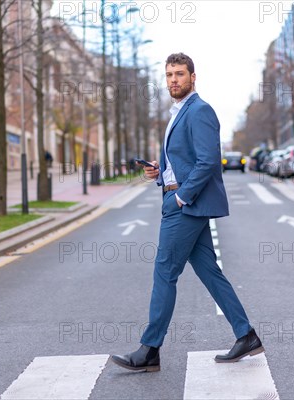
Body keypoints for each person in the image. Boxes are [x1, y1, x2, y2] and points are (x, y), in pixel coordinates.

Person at [110, 53, 263, 372]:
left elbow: (208, 161)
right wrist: (160, 170)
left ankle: (149, 349)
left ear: (193, 77)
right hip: (179, 199)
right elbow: (187, 159)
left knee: (164, 273)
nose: (173, 80)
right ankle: (245, 334)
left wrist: (181, 197)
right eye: (168, 75)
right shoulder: (179, 112)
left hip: (184, 207)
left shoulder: (200, 110)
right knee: (209, 271)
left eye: (179, 74)